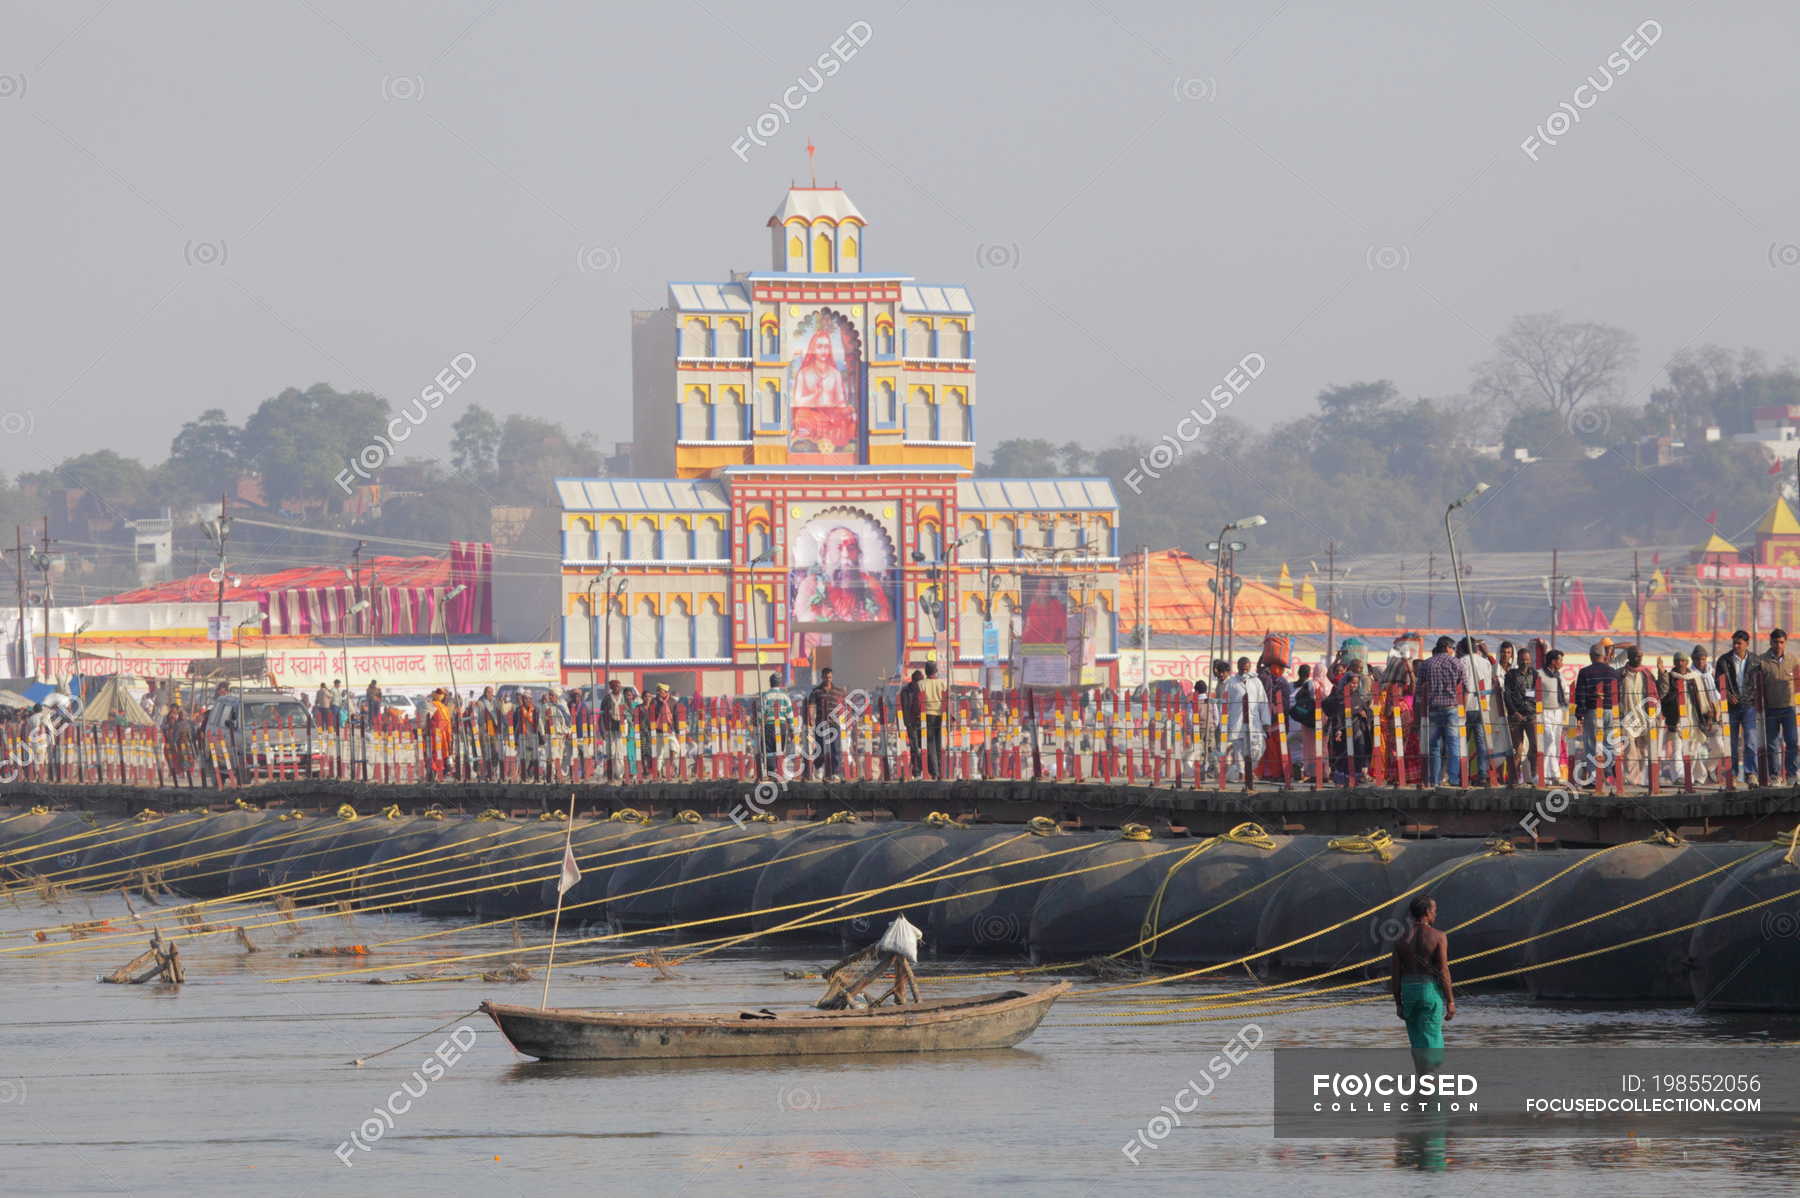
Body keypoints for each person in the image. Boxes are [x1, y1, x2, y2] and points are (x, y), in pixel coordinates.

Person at [1390, 894, 1454, 1074]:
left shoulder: (1401, 939)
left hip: (1408, 991)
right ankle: (1431, 1085)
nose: (1436, 914)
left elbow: (1395, 975)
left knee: (1417, 1039)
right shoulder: (1438, 936)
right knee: (1432, 1037)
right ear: (1426, 912)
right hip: (1429, 990)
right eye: (1434, 910)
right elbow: (1443, 971)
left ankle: (1421, 1082)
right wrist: (1450, 1001)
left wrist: (1398, 1003)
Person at [792, 526, 893, 623]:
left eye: (851, 547)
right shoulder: (811, 585)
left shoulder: (870, 584)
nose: (845, 555)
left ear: (858, 553)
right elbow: (802, 624)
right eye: (838, 548)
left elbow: (882, 622)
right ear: (824, 553)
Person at [1715, 629, 1761, 782]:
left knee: (1750, 739)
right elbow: (1717, 681)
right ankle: (1733, 774)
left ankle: (1750, 773)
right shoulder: (1723, 661)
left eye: (1739, 643)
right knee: (1731, 742)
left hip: (1749, 706)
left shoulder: (1756, 661)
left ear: (1747, 644)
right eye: (1734, 643)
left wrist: (1754, 699)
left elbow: (1759, 683)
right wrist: (1727, 694)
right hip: (1731, 707)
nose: (1736, 646)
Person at [1573, 643, 1621, 788]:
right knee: (1608, 744)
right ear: (1604, 656)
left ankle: (1594, 778)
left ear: (1591, 656)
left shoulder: (1585, 672)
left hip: (1592, 711)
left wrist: (1579, 714)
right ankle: (1607, 769)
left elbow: (1580, 695)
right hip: (1610, 712)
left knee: (1591, 745)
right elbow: (1616, 694)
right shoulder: (1613, 672)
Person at [1419, 636, 1464, 788]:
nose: (1453, 651)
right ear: (1446, 647)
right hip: (1451, 708)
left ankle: (1435, 780)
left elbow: (1420, 687)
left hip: (1433, 709)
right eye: (1452, 648)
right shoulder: (1456, 663)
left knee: (1434, 746)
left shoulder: (1426, 664)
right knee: (1453, 744)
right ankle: (1453, 779)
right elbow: (1461, 683)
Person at [1220, 657, 1270, 785]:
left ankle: (1249, 770)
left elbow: (1263, 702)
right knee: (1239, 750)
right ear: (1238, 667)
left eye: (1246, 668)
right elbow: (1224, 704)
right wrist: (1223, 723)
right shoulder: (1231, 683)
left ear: (1249, 667)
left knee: (1259, 747)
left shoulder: (1256, 682)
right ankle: (1243, 773)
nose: (1244, 670)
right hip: (1236, 721)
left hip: (1255, 723)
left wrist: (1266, 722)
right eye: (1242, 668)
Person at [1762, 628, 1799, 784]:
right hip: (1770, 708)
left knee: (1791, 742)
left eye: (1781, 642)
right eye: (1776, 642)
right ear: (1771, 642)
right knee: (1772, 745)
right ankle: (1775, 776)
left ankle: (1791, 775)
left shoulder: (1793, 660)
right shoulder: (1762, 661)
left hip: (1789, 708)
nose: (1778, 645)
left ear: (1785, 643)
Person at [1690, 646, 1727, 784]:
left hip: (1714, 715)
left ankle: (1708, 769)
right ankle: (1699, 777)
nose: (1701, 662)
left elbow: (1720, 693)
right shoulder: (1690, 675)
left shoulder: (1712, 674)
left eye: (1703, 659)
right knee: (1694, 749)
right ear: (1693, 659)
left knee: (1720, 748)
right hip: (1696, 717)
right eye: (1698, 659)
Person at [1501, 642, 1536, 786]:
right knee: (1518, 748)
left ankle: (1534, 777)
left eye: (1527, 659)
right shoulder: (1511, 675)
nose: (1524, 662)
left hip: (1531, 714)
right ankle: (1513, 779)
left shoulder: (1535, 674)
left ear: (1530, 660)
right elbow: (1507, 696)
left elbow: (1536, 694)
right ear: (1518, 660)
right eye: (1522, 659)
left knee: (1534, 747)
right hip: (1515, 716)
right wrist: (1514, 712)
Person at [805, 668, 847, 781]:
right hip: (820, 724)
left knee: (835, 749)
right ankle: (818, 768)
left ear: (832, 677)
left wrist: (844, 720)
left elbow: (844, 707)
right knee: (820, 749)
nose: (828, 679)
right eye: (825, 677)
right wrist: (811, 719)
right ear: (822, 677)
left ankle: (835, 773)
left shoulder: (839, 691)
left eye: (829, 677)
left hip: (834, 724)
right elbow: (811, 706)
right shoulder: (816, 691)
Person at [1537, 649, 1568, 783]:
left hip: (1558, 711)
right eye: (1560, 660)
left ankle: (1553, 774)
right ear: (1553, 661)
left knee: (1555, 742)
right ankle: (1543, 773)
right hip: (1544, 711)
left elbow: (1565, 693)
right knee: (1548, 741)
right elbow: (1532, 692)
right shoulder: (1539, 674)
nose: (1562, 663)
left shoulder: (1559, 676)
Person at [919, 661, 948, 780]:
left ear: (925, 671)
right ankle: (941, 771)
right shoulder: (943, 683)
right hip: (941, 715)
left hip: (927, 716)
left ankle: (935, 772)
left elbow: (918, 700)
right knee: (939, 743)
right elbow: (946, 699)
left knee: (930, 744)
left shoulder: (921, 684)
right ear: (936, 671)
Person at [643, 683, 679, 779]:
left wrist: (678, 729)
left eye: (660, 690)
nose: (658, 692)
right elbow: (651, 716)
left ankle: (669, 766)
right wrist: (651, 729)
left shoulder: (673, 702)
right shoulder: (654, 702)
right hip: (658, 731)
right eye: (657, 690)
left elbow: (676, 717)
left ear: (665, 691)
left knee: (674, 748)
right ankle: (658, 772)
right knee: (659, 753)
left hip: (669, 730)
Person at [898, 669, 925, 778]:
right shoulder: (905, 691)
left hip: (923, 722)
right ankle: (917, 771)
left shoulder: (923, 689)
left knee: (923, 747)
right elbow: (904, 708)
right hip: (912, 723)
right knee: (914, 748)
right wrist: (907, 723)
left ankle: (922, 769)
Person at [600, 678, 628, 781]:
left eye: (619, 686)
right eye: (616, 686)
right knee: (611, 750)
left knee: (620, 751)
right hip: (610, 727)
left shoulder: (623, 698)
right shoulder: (607, 698)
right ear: (612, 687)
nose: (618, 688)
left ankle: (620, 773)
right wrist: (602, 729)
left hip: (620, 727)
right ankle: (610, 774)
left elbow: (628, 711)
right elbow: (602, 714)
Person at [426, 688, 453, 780]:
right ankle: (436, 773)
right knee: (437, 755)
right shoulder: (432, 705)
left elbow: (447, 723)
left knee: (442, 755)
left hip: (443, 736)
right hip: (436, 735)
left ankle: (441, 772)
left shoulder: (444, 707)